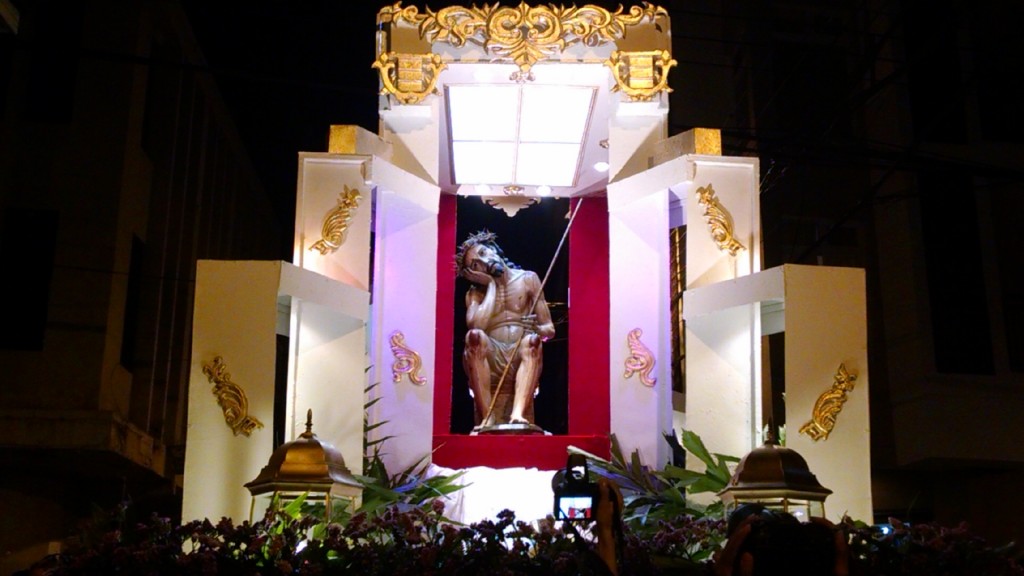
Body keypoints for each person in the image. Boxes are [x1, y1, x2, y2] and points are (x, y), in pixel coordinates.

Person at [456, 230, 555, 430]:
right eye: (476, 265)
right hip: (492, 355)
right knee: (474, 337)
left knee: (533, 341)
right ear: (474, 274)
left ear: (495, 250)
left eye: (484, 253)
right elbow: (476, 326)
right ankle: (488, 416)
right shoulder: (475, 294)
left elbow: (549, 329)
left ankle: (517, 414)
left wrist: (536, 327)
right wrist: (491, 285)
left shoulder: (528, 279)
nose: (484, 262)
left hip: (522, 351)